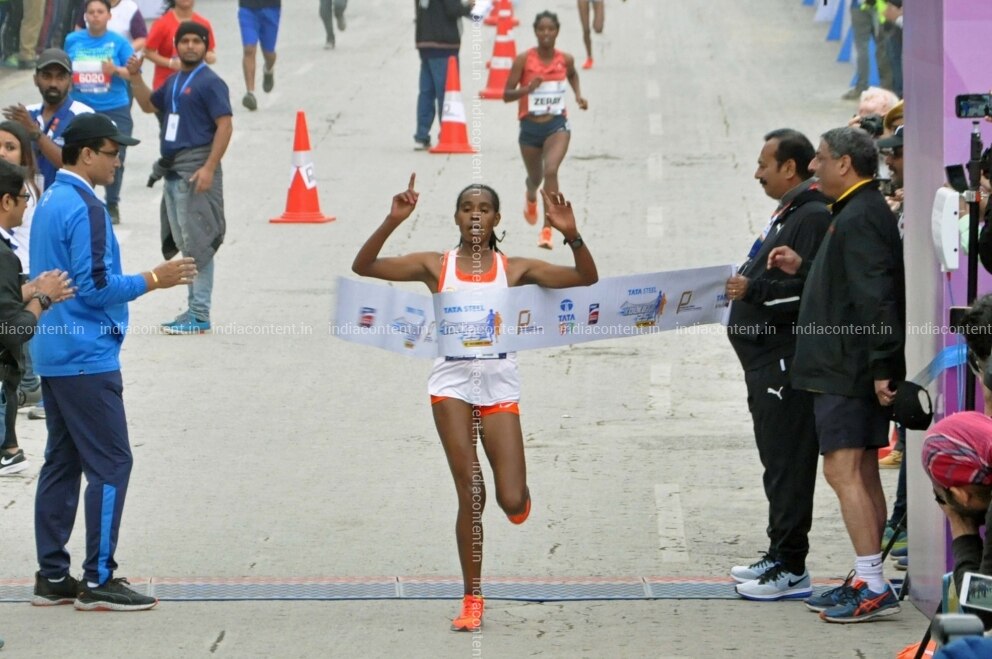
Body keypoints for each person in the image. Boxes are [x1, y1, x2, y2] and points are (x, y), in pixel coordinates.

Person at [352, 174, 598, 631]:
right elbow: (364, 267)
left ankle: (519, 499)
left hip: (500, 382)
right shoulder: (435, 265)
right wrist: (392, 219)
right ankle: (472, 597)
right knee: (471, 491)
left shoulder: (517, 269)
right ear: (457, 217)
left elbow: (586, 278)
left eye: (484, 208)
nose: (475, 214)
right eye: (467, 207)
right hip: (452, 383)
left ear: (497, 218)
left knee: (508, 499)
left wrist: (570, 232)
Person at [30, 112, 196, 611]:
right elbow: (97, 287)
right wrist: (155, 278)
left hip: (54, 351)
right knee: (112, 462)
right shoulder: (85, 206)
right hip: (85, 355)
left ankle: (52, 576)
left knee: (62, 460)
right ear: (87, 155)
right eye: (111, 150)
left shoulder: (51, 200)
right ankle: (99, 578)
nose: (118, 159)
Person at [768, 126, 905, 623]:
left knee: (842, 470)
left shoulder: (860, 216)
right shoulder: (853, 211)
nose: (813, 166)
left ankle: (872, 584)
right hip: (848, 364)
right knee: (861, 469)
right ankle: (869, 576)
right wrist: (805, 267)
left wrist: (884, 364)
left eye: (821, 158)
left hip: (846, 367)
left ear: (845, 164)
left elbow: (876, 296)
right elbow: (850, 284)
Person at [725, 129, 831, 601]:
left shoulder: (810, 215)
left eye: (764, 164)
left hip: (785, 362)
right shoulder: (789, 211)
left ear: (789, 167)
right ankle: (778, 550)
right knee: (775, 463)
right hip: (763, 363)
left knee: (789, 464)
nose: (756, 172)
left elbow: (808, 292)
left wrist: (754, 291)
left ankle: (792, 565)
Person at [128, 20, 232, 334]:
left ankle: (199, 313)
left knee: (198, 242)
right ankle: (193, 309)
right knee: (188, 243)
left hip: (196, 169)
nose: (190, 46)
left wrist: (210, 167)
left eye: (196, 41)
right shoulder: (174, 81)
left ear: (205, 46)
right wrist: (135, 76)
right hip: (173, 171)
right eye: (184, 40)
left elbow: (225, 125)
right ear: (176, 45)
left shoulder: (210, 82)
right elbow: (148, 105)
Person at [0, 158, 74, 476]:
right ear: (6, 201)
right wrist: (43, 298)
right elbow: (11, 330)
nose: (27, 205)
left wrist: (29, 289)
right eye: (25, 198)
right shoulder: (4, 257)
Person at [503, 10, 587, 249]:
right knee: (536, 178)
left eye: (551, 29)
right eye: (542, 29)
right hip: (529, 128)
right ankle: (530, 194)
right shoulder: (523, 60)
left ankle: (547, 229)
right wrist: (527, 89)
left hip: (557, 125)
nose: (546, 33)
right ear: (535, 32)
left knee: (550, 171)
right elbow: (506, 95)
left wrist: (578, 96)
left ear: (557, 31)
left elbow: (572, 74)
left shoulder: (565, 59)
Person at [63, 0, 135, 225]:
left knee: (115, 155)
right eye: (91, 12)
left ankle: (112, 203)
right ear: (85, 16)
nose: (95, 16)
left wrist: (115, 70)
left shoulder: (119, 42)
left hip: (114, 107)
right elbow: (64, 70)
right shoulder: (72, 40)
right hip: (81, 107)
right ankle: (81, 199)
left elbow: (133, 73)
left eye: (100, 12)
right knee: (78, 155)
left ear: (109, 16)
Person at [3, 48, 95, 191]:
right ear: (35, 79)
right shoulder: (26, 114)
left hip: (67, 202)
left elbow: (75, 168)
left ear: (70, 82)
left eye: (60, 77)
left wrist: (36, 134)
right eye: (46, 76)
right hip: (28, 203)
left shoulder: (83, 116)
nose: (53, 83)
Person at [0, 121, 44, 413]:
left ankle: (28, 392)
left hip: (22, 268)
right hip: (17, 269)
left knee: (18, 342)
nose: (2, 153)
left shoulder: (21, 189)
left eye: (10, 147)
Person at [413, 0, 475, 151]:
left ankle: (422, 135)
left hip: (425, 42)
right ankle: (447, 133)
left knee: (426, 92)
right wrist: (468, 7)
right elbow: (452, 9)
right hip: (443, 44)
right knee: (445, 92)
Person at [144, 0, 216, 92]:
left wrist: (210, 56)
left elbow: (210, 50)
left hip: (195, 84)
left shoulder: (204, 24)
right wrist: (170, 63)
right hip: (166, 84)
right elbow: (147, 52)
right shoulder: (162, 24)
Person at [237, 0, 280, 112]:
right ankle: (250, 93)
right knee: (249, 49)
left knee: (269, 53)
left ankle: (268, 69)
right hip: (247, 8)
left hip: (271, 8)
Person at [76, 0, 148, 54]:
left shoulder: (130, 8)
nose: (95, 14)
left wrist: (122, 51)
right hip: (91, 58)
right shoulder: (90, 4)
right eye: (92, 12)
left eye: (100, 12)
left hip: (122, 63)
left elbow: (142, 39)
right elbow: (79, 31)